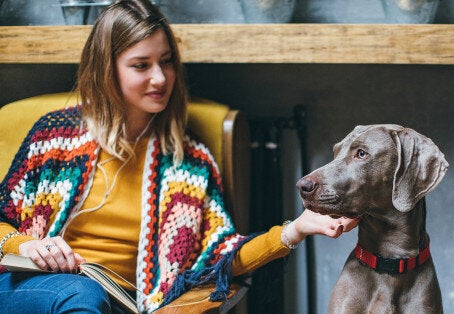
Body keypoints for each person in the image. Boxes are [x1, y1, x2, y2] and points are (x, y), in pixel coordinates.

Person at [0, 1, 359, 313]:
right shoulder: (54, 137)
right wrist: (28, 244)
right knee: (81, 292)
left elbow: (220, 255)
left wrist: (295, 230)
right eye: (141, 65)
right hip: (31, 289)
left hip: (120, 304)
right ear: (107, 69)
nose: (160, 78)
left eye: (167, 62)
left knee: (88, 296)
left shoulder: (188, 162)